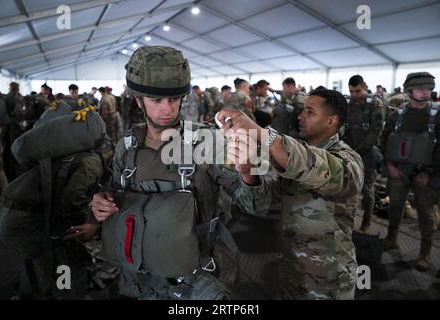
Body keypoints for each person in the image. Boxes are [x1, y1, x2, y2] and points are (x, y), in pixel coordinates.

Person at [90, 46, 242, 300]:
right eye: (156, 100)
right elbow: (114, 197)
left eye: (173, 99)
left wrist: (249, 173)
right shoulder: (126, 148)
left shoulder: (206, 142)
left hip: (190, 279)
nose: (167, 109)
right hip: (137, 279)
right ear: (139, 101)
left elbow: (257, 201)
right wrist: (100, 205)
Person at [218, 86, 364, 299]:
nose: (300, 116)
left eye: (310, 112)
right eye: (303, 110)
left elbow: (313, 164)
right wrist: (247, 172)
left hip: (329, 280)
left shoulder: (348, 161)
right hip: (291, 270)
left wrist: (260, 133)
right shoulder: (292, 160)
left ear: (332, 121)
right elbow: (259, 206)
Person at [382, 72, 440, 271]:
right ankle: (391, 238)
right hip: (398, 169)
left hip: (427, 173)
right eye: (421, 89)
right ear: (409, 91)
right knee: (395, 206)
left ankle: (424, 254)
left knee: (425, 214)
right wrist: (389, 165)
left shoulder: (437, 115)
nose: (426, 93)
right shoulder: (396, 115)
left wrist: (429, 173)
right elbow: (384, 141)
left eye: (429, 89)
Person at [343, 75, 384, 233]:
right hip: (350, 151)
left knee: (367, 190)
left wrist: (359, 150)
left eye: (357, 91)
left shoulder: (375, 104)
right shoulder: (349, 104)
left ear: (364, 87)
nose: (354, 95)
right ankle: (347, 221)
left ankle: (366, 222)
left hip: (367, 153)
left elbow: (376, 130)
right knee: (348, 188)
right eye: (351, 91)